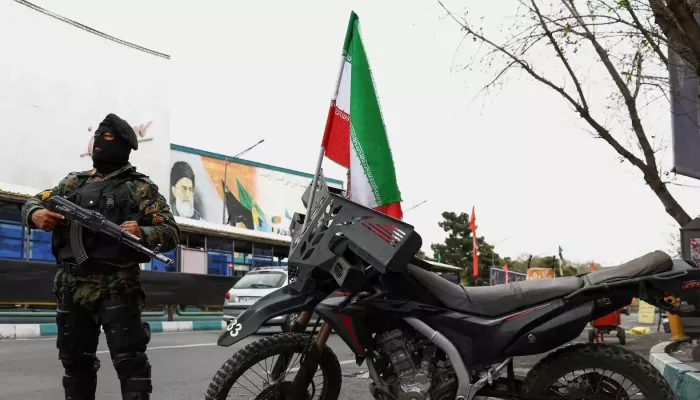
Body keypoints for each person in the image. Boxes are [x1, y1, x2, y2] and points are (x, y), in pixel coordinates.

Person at [20, 113, 180, 400]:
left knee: (131, 365)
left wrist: (143, 232)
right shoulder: (73, 183)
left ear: (123, 145)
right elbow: (33, 201)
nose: (98, 143)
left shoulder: (140, 188)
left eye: (107, 138)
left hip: (118, 286)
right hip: (71, 286)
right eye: (97, 136)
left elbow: (170, 231)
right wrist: (35, 214)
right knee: (75, 365)